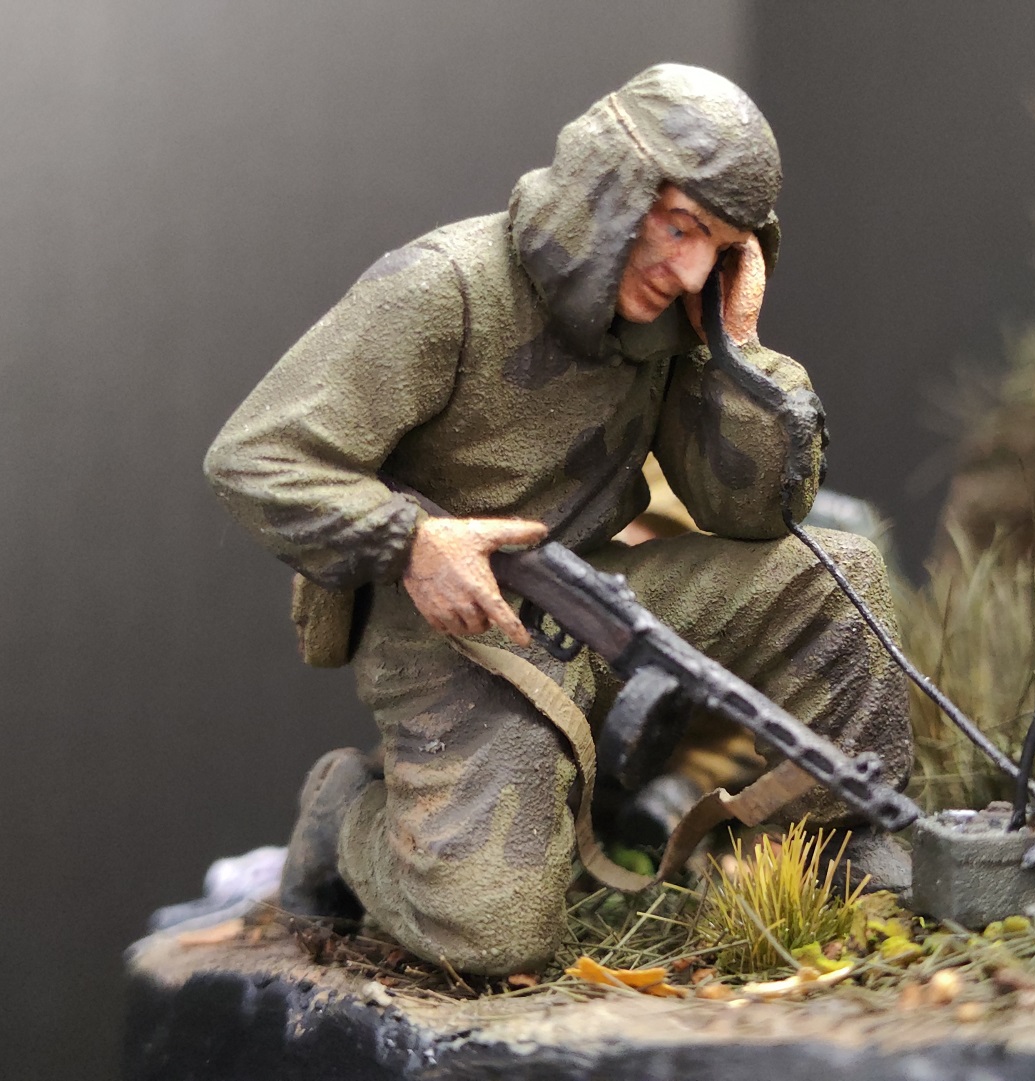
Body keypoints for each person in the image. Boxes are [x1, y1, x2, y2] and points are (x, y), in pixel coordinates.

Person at [205, 63, 911, 977]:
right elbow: (254, 456)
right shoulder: (444, 287)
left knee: (836, 579)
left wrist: (737, 352)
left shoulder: (668, 323)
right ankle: (350, 817)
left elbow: (749, 512)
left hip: (598, 593)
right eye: (679, 225)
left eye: (720, 245)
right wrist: (412, 542)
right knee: (493, 933)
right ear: (609, 192)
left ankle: (826, 847)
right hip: (455, 628)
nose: (691, 269)